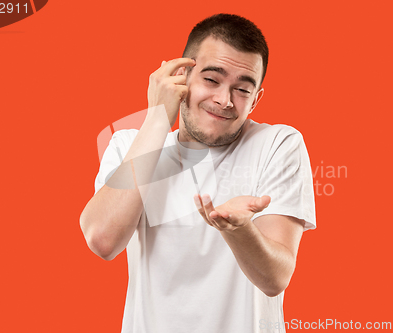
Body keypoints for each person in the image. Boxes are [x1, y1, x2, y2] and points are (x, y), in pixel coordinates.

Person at [80, 13, 316, 333]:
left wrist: (239, 230)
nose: (224, 100)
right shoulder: (129, 145)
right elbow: (102, 239)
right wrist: (158, 117)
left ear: (256, 100)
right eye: (211, 79)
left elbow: (276, 278)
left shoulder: (278, 145)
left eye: (242, 89)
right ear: (181, 77)